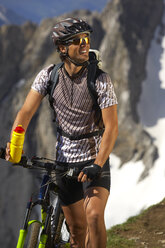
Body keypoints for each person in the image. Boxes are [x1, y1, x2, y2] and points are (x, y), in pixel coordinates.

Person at [6, 17, 118, 248]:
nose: (85, 44)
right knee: (77, 232)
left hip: (94, 161)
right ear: (62, 48)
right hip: (64, 161)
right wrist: (15, 147)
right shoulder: (49, 76)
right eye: (77, 40)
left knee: (94, 217)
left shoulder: (100, 79)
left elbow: (112, 127)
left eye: (86, 38)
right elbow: (25, 112)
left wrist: (97, 163)